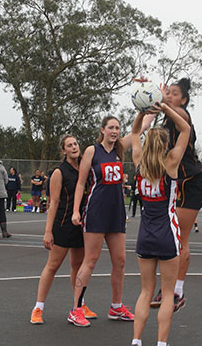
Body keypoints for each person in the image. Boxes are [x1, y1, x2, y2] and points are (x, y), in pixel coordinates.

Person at [130, 102, 190, 346]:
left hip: (145, 233)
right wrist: (165, 108)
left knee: (145, 291)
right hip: (167, 234)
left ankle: (136, 341)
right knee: (167, 294)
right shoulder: (172, 162)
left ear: (146, 144)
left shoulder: (139, 164)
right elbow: (185, 129)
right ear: (166, 145)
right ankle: (162, 343)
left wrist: (143, 111)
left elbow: (134, 133)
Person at [70, 115, 137, 327]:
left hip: (116, 212)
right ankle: (76, 309)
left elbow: (139, 129)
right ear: (102, 130)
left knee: (120, 261)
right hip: (96, 211)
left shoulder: (120, 150)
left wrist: (149, 109)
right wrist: (75, 211)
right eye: (111, 127)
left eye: (117, 128)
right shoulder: (92, 151)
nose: (115, 131)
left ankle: (116, 307)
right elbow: (81, 183)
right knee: (90, 260)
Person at [150, 78, 202, 313]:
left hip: (191, 182)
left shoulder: (182, 114)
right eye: (168, 93)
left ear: (183, 100)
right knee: (168, 239)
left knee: (179, 239)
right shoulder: (166, 116)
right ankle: (169, 288)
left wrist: (161, 100)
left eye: (174, 94)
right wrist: (147, 95)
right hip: (174, 182)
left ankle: (176, 292)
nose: (170, 96)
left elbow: (175, 112)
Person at [30, 135, 97, 325]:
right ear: (64, 150)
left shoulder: (86, 167)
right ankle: (38, 307)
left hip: (82, 225)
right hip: (62, 224)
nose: (74, 147)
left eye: (76, 143)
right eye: (70, 145)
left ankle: (79, 304)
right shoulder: (59, 172)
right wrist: (48, 231)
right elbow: (54, 203)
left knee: (78, 266)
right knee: (53, 266)